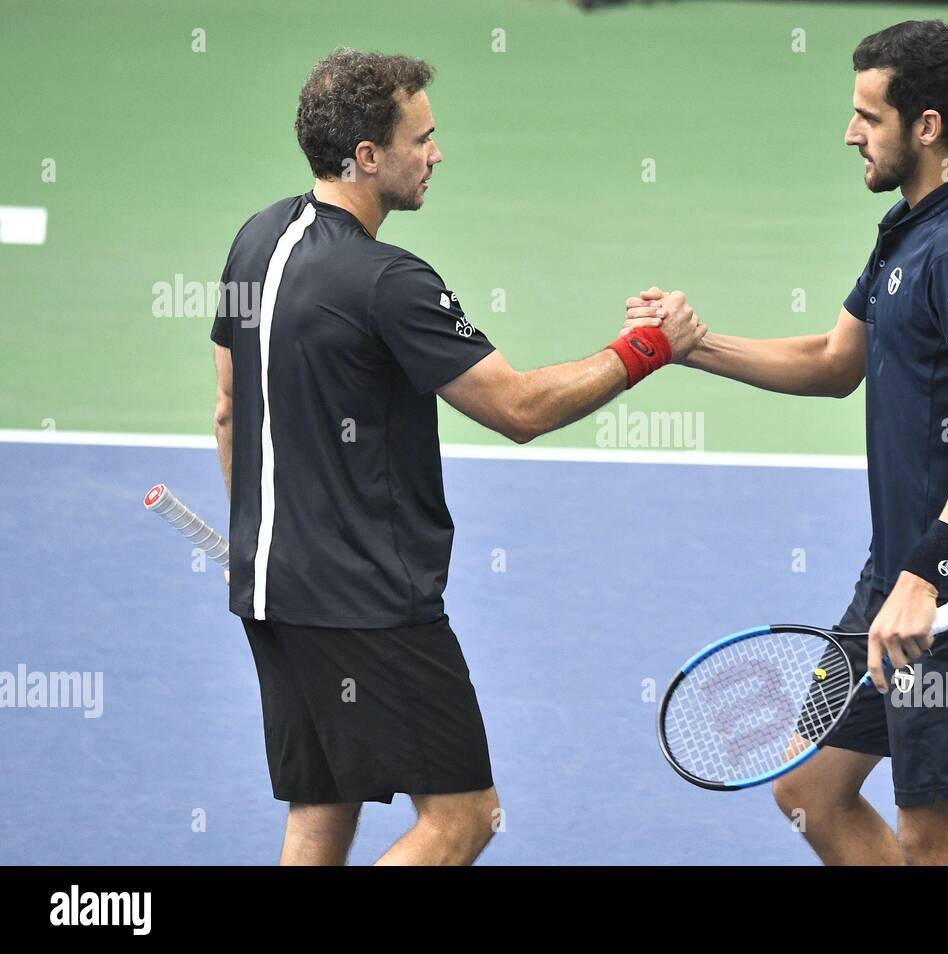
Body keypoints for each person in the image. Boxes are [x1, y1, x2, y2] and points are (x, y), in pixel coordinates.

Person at [210, 48, 703, 865]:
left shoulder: (254, 240)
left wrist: (260, 543)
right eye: (421, 139)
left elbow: (230, 411)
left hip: (271, 592)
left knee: (320, 810)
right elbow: (517, 407)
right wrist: (647, 347)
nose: (436, 154)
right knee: (463, 817)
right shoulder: (389, 281)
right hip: (370, 605)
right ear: (367, 157)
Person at [624, 20, 948, 865]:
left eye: (868, 115)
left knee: (938, 837)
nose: (850, 131)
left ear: (926, 126)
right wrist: (692, 345)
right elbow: (832, 359)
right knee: (810, 788)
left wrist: (926, 575)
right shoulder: (909, 228)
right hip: (894, 577)